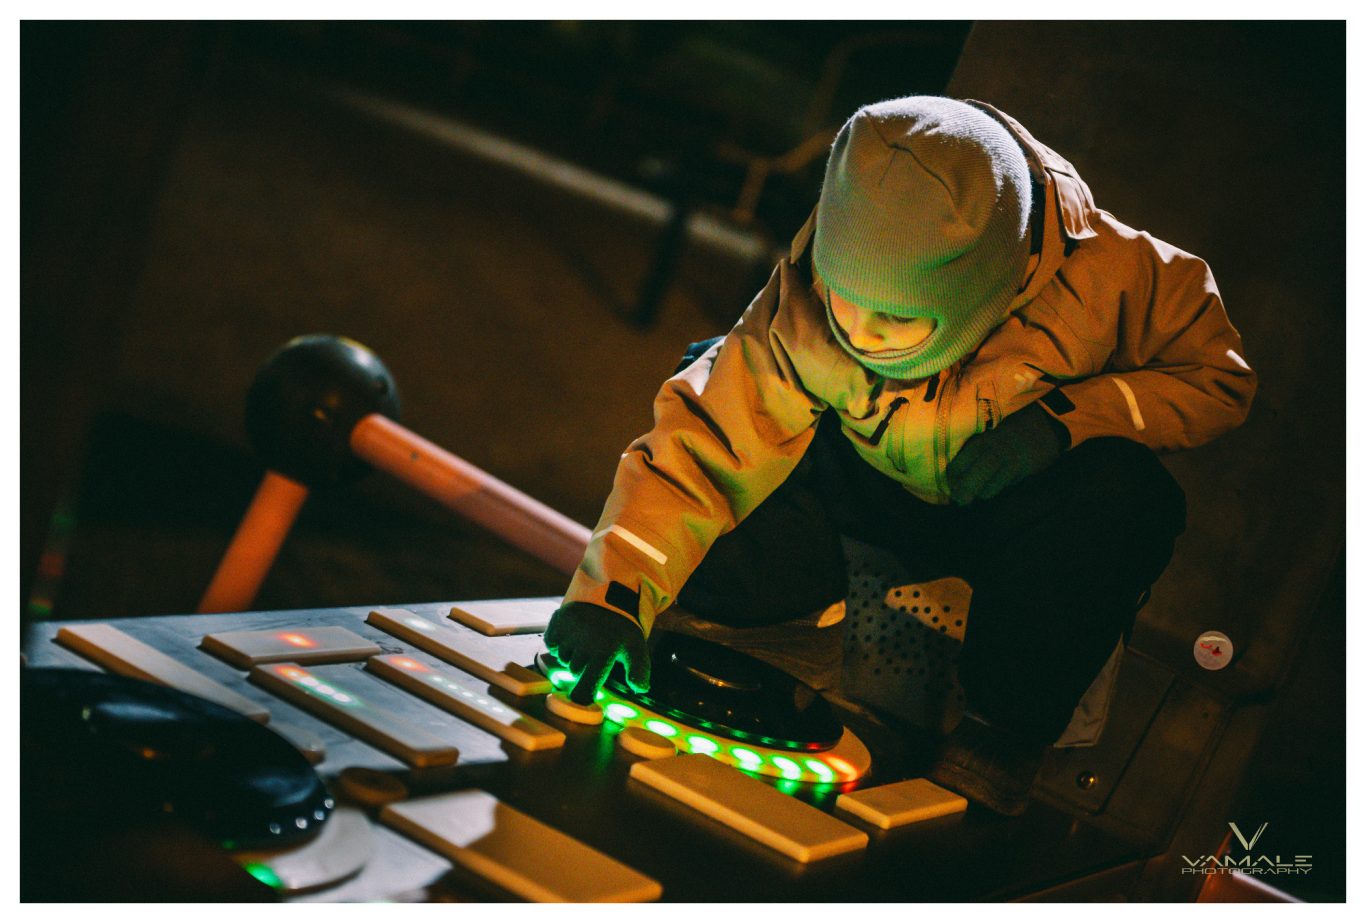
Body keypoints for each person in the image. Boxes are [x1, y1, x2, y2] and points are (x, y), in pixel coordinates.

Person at [545, 95, 1257, 814]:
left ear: (987, 285)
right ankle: (801, 610)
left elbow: (1220, 379)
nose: (859, 332)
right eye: (844, 299)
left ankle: (1005, 726)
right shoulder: (815, 276)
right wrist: (614, 596)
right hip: (859, 477)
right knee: (717, 370)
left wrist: (1065, 422)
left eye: (896, 316)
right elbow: (703, 440)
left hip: (1003, 504)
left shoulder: (1122, 273)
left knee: (1125, 496)